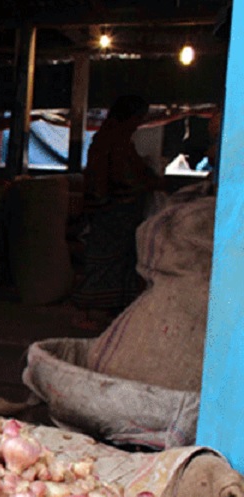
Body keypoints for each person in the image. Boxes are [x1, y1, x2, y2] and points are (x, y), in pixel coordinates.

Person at [72, 95, 167, 330]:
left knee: (122, 260)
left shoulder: (123, 142)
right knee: (104, 260)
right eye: (137, 117)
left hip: (121, 212)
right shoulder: (109, 141)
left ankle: (112, 309)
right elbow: (114, 177)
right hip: (110, 211)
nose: (138, 122)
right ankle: (94, 310)